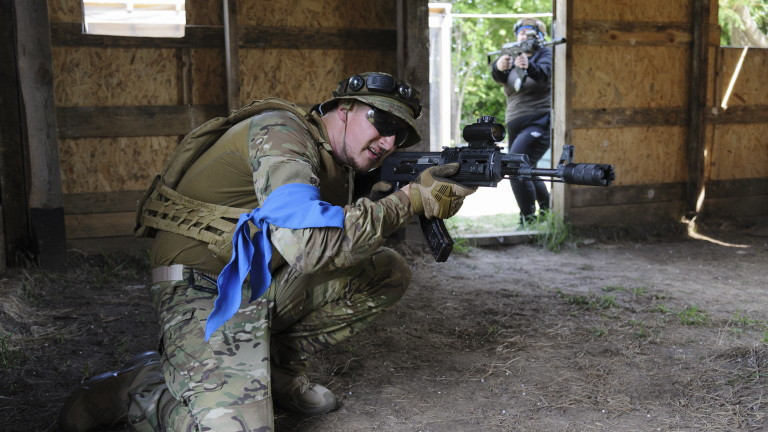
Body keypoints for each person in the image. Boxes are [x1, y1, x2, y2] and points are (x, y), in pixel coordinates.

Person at [58, 72, 476, 432]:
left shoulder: (337, 164)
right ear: (345, 107)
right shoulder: (280, 134)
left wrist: (389, 200)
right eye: (382, 122)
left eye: (399, 135)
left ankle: (274, 372)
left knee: (385, 271)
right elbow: (311, 248)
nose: (388, 141)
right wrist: (407, 201)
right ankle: (142, 387)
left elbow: (330, 243)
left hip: (259, 283)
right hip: (203, 287)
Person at [491, 18, 553, 227]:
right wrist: (499, 66)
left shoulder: (545, 53)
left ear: (539, 35)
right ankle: (547, 210)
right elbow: (498, 77)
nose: (523, 35)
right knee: (527, 167)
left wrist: (529, 65)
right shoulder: (512, 54)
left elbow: (544, 74)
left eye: (528, 31)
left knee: (514, 165)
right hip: (515, 121)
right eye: (521, 32)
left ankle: (527, 219)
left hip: (539, 120)